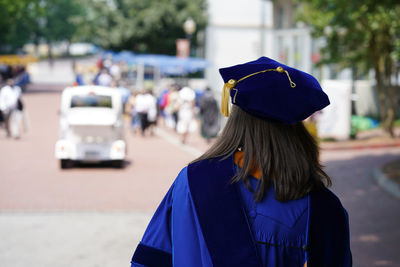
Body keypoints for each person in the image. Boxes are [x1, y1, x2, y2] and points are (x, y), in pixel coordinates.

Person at [130, 57, 352, 267]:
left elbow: (149, 259)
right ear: (296, 129)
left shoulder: (191, 180)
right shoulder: (322, 208)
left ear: (236, 119)